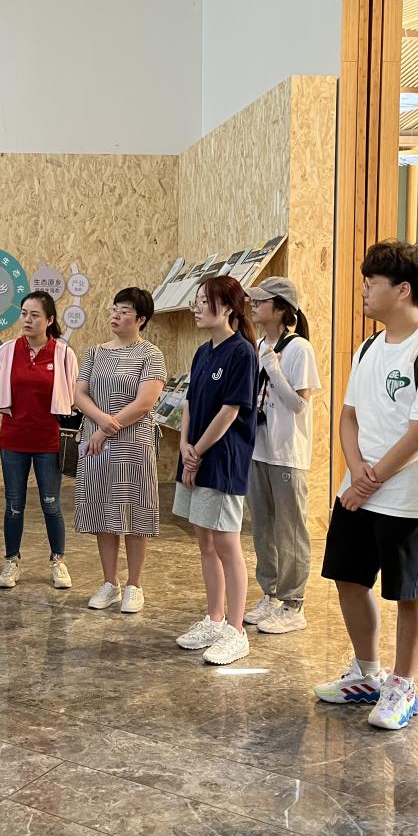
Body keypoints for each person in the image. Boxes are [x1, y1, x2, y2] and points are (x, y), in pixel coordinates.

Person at [314, 241, 418, 730]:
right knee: (349, 579)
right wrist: (355, 469)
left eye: (371, 282)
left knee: (409, 591)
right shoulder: (368, 347)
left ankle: (403, 684)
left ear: (402, 290)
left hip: (408, 496)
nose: (363, 290)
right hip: (359, 486)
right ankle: (367, 672)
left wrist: (369, 482)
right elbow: (348, 415)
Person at [173, 275, 258, 666]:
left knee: (226, 543)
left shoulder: (242, 353)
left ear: (226, 307)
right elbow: (190, 404)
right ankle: (215, 618)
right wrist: (185, 447)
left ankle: (236, 631)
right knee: (204, 540)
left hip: (222, 461)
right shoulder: (202, 352)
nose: (196, 307)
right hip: (195, 456)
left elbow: (230, 411)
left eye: (203, 300)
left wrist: (198, 452)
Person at [74, 288, 168, 612]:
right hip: (96, 445)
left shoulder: (151, 354)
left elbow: (144, 403)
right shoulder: (95, 352)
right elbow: (80, 394)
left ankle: (134, 585)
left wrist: (104, 429)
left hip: (133, 444)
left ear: (140, 319)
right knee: (103, 512)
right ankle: (109, 583)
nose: (116, 315)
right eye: (114, 308)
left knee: (134, 513)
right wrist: (101, 422)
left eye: (125, 310)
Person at [241, 278, 321, 634]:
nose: (254, 306)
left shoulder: (299, 348)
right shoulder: (259, 344)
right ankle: (270, 594)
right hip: (258, 448)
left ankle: (293, 603)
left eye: (261, 301)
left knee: (290, 530)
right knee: (262, 527)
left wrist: (272, 368)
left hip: (287, 453)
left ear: (280, 308)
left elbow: (300, 405)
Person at [0, 291, 79, 590]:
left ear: (49, 320)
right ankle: (11, 561)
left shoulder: (63, 354)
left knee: (51, 504)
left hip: (49, 442)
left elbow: (73, 395)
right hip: (13, 438)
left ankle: (58, 561)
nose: (27, 320)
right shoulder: (6, 352)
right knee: (14, 504)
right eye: (24, 313)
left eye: (35, 315)